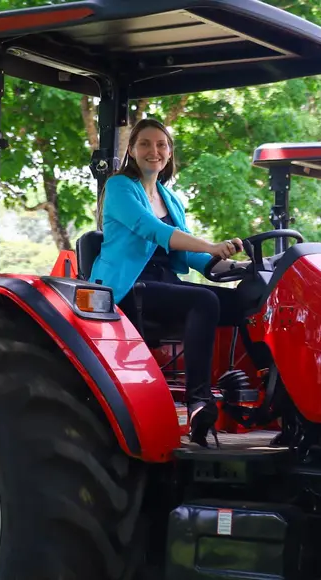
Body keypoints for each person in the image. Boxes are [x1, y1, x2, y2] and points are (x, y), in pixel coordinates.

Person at [89, 118, 244, 448]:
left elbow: (192, 259)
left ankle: (257, 398)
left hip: (164, 282)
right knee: (204, 302)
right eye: (144, 143)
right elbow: (155, 232)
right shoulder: (119, 187)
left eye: (161, 144)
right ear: (131, 150)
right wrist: (210, 245)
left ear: (170, 153)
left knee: (245, 300)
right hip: (128, 287)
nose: (153, 151)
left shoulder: (169, 199)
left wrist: (237, 265)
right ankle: (198, 400)